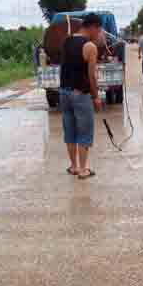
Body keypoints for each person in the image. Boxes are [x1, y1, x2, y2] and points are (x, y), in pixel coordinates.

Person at [59, 13, 102, 180]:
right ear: (92, 27)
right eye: (98, 30)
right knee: (84, 132)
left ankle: (73, 166)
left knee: (69, 131)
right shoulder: (90, 47)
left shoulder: (66, 41)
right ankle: (83, 169)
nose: (99, 34)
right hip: (80, 94)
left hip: (64, 93)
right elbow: (92, 76)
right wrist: (96, 97)